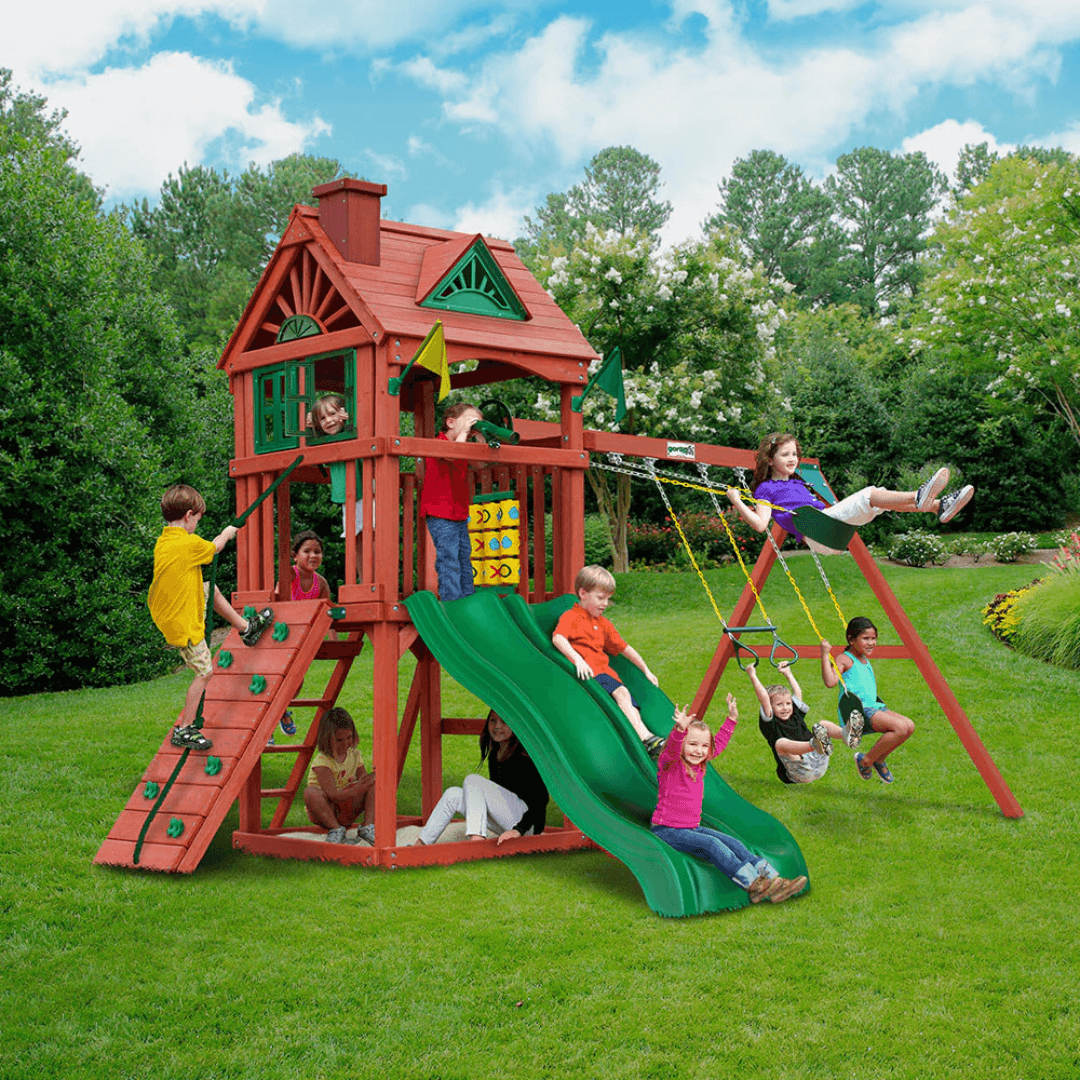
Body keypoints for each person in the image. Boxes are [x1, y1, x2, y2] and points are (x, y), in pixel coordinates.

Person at [148, 484, 273, 751]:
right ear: (189, 515)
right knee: (205, 673)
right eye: (197, 520)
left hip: (172, 611)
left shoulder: (164, 542)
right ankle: (184, 729)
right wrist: (227, 532)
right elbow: (215, 548)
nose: (196, 525)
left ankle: (245, 628)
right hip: (184, 624)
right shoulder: (187, 543)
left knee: (209, 588)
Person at [651, 694, 807, 903]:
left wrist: (731, 719)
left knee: (734, 843)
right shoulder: (671, 765)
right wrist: (680, 730)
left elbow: (719, 744)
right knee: (714, 845)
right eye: (692, 744)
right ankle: (754, 884)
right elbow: (671, 750)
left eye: (704, 746)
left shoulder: (700, 765)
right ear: (682, 745)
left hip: (691, 827)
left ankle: (775, 881)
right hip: (668, 830)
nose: (699, 751)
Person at [726, 432, 974, 553]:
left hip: (832, 529)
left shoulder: (797, 483)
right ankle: (920, 497)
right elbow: (760, 525)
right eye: (785, 455)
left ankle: (938, 506)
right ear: (769, 460)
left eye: (794, 454)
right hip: (818, 532)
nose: (792, 459)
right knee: (869, 494)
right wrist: (738, 501)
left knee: (881, 498)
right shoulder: (766, 488)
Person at [552, 565, 666, 757]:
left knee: (629, 702)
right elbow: (558, 638)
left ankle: (643, 738)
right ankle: (646, 738)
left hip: (605, 676)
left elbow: (624, 648)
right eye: (600, 597)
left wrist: (646, 670)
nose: (605, 603)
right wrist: (578, 660)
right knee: (621, 692)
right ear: (583, 593)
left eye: (608, 598)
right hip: (589, 676)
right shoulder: (571, 617)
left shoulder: (603, 624)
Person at [414, 711, 548, 845]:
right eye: (493, 721)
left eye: (504, 722)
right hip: (508, 821)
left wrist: (518, 830)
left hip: (527, 826)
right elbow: (497, 796)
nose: (497, 726)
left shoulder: (524, 756)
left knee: (472, 780)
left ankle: (477, 841)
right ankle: (419, 845)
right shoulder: (495, 754)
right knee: (452, 794)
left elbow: (541, 799)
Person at [822, 617, 914, 783]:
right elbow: (830, 682)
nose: (871, 643)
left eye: (873, 638)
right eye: (866, 638)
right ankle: (865, 761)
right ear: (851, 639)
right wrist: (824, 654)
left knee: (909, 726)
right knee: (900, 728)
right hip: (858, 712)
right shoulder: (845, 659)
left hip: (874, 707)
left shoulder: (864, 659)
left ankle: (878, 759)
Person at [748, 654, 861, 785]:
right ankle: (815, 744)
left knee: (823, 724)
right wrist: (752, 675)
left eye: (788, 703)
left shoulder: (795, 714)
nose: (785, 708)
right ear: (771, 707)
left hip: (818, 762)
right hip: (799, 772)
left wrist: (788, 673)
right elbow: (764, 698)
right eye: (779, 705)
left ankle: (846, 735)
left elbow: (798, 693)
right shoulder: (770, 723)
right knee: (780, 743)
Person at [418, 402, 484, 602]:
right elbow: (451, 454)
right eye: (468, 421)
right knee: (449, 557)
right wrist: (463, 434)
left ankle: (467, 598)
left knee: (465, 556)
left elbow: (481, 463)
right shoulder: (438, 442)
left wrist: (479, 437)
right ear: (450, 422)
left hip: (459, 513)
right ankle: (451, 599)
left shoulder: (464, 446)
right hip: (440, 513)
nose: (471, 426)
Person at [308, 394, 369, 579]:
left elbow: (366, 429)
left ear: (343, 413)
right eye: (323, 419)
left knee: (370, 534)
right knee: (355, 539)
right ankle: (364, 579)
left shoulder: (353, 430)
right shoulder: (326, 441)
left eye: (333, 414)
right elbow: (309, 448)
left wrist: (352, 420)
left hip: (366, 490)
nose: (329, 421)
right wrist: (310, 429)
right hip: (347, 495)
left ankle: (375, 578)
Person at [303, 707, 376, 844]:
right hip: (325, 812)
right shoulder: (323, 761)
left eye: (349, 738)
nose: (346, 743)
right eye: (339, 740)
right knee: (310, 792)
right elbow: (332, 794)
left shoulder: (354, 755)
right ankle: (336, 830)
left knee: (374, 783)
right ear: (327, 740)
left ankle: (367, 827)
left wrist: (372, 778)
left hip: (347, 809)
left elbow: (364, 782)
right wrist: (357, 788)